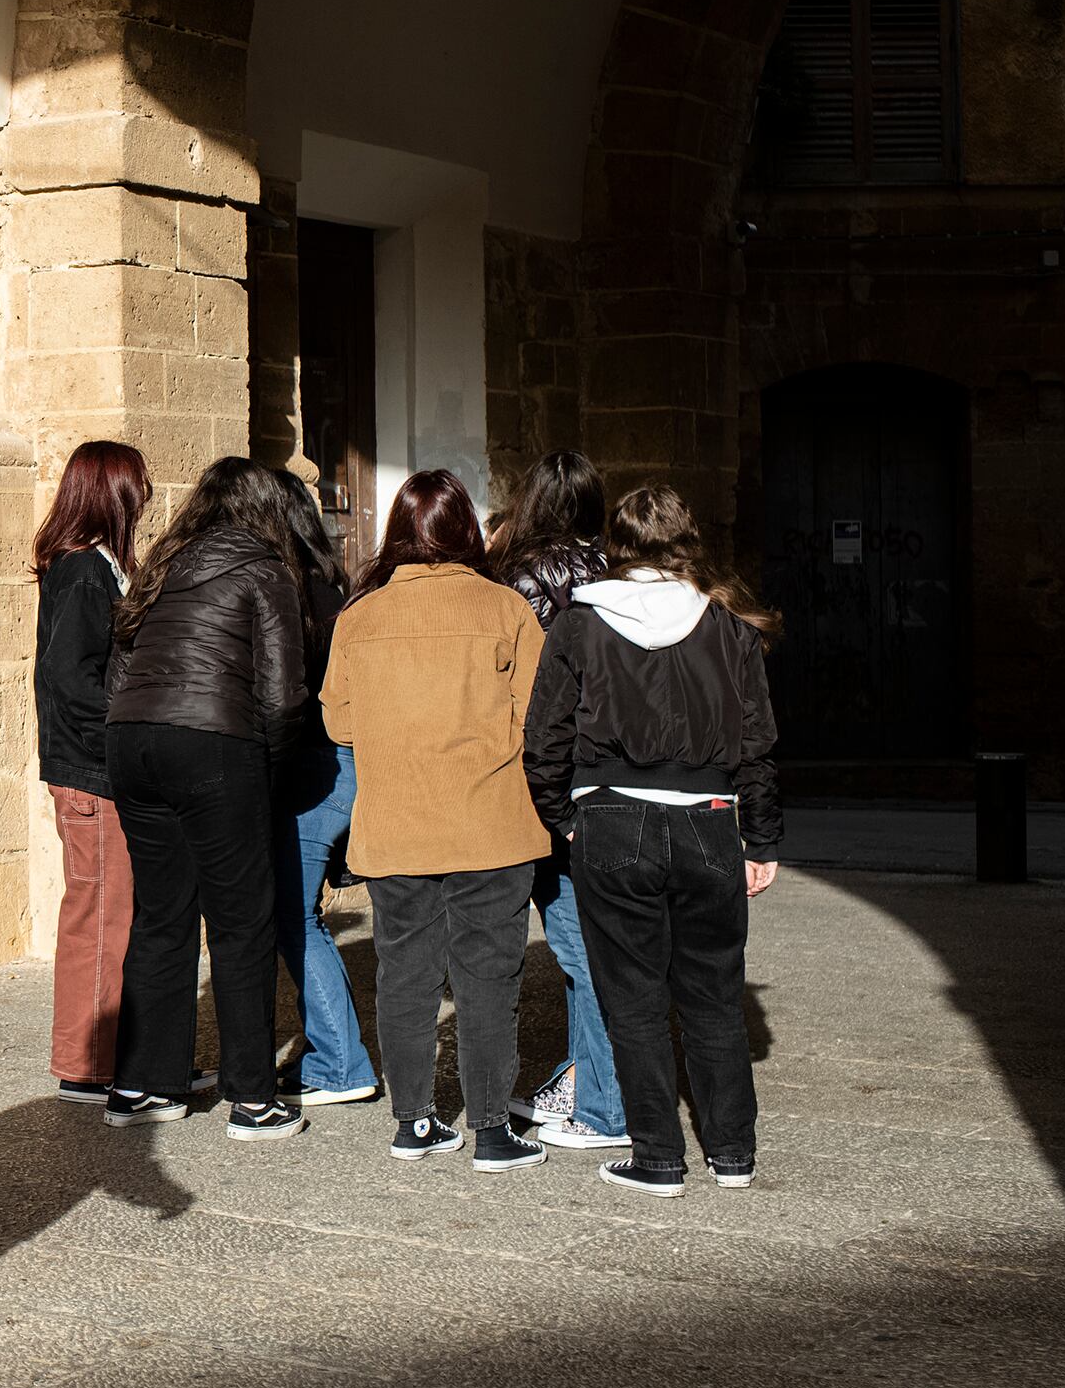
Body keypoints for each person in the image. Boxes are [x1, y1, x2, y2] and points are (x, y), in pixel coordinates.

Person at [524, 484, 785, 1198]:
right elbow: (758, 746)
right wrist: (759, 840)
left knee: (632, 998)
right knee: (713, 996)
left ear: (616, 543)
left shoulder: (581, 624)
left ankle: (658, 1158)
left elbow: (543, 738)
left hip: (612, 819)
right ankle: (732, 1154)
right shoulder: (729, 629)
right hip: (706, 819)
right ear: (685, 540)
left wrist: (564, 816)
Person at [321, 470, 553, 1173]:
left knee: (404, 974)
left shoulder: (358, 617)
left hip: (396, 822)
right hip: (491, 821)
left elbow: (338, 720)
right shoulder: (507, 608)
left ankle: (414, 1123)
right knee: (488, 977)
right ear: (466, 532)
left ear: (398, 531)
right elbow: (536, 717)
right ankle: (490, 1131)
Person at [100, 457, 310, 1140]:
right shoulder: (265, 567)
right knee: (241, 921)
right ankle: (253, 1097)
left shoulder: (165, 561)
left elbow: (120, 662)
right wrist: (267, 773)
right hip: (216, 741)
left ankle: (142, 1083)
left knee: (160, 914)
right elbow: (282, 696)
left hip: (133, 739)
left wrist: (137, 728)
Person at [485, 450, 630, 1153]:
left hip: (545, 779)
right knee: (589, 941)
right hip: (608, 775)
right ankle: (582, 1080)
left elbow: (518, 691)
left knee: (580, 948)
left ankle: (607, 1105)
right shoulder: (616, 572)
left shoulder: (518, 577)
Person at [30, 441, 151, 1103]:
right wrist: (123, 730)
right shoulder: (83, 569)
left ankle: (112, 1056)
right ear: (112, 493)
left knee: (109, 914)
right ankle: (88, 1065)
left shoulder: (90, 564)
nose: (147, 495)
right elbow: (70, 677)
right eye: (137, 485)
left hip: (92, 767)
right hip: (92, 771)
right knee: (101, 917)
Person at [267, 466, 381, 1110]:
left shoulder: (292, 589)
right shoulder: (336, 585)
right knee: (301, 912)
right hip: (347, 758)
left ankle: (339, 1061)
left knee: (295, 914)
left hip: (317, 764)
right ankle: (335, 1054)